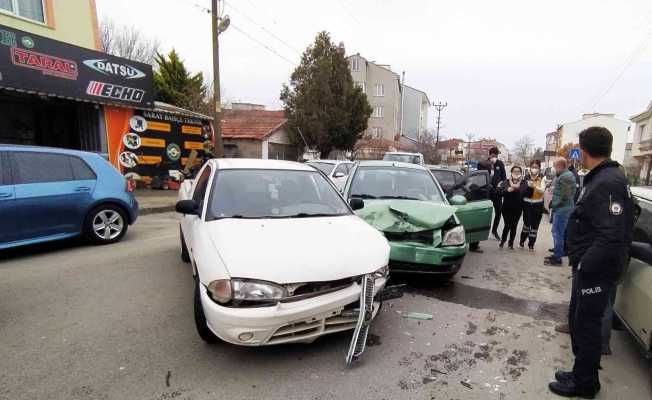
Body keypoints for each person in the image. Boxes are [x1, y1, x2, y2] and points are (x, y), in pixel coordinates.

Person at [548, 127, 634, 399]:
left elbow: (611, 234)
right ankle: (581, 372)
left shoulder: (608, 181)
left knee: (586, 325)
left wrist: (585, 265)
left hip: (595, 271)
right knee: (579, 320)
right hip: (589, 267)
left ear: (583, 152)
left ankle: (584, 384)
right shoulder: (604, 177)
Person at [545, 158, 576, 266]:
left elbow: (566, 196)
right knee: (558, 232)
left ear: (561, 166)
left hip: (563, 209)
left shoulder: (566, 176)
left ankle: (557, 258)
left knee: (558, 233)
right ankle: (557, 254)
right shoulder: (564, 175)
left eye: (555, 167)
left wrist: (555, 204)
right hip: (563, 208)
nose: (554, 169)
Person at [497, 166, 526, 250]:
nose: (516, 173)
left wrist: (516, 189)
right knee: (507, 225)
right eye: (514, 171)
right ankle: (503, 240)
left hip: (518, 208)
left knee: (514, 226)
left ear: (521, 173)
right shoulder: (506, 182)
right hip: (506, 208)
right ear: (511, 172)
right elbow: (499, 193)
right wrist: (507, 190)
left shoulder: (523, 183)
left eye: (518, 171)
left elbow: (524, 192)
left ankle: (511, 243)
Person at [520, 160, 545, 250]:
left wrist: (534, 186)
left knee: (535, 226)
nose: (534, 169)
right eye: (533, 167)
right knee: (526, 224)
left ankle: (531, 244)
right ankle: (522, 240)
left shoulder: (542, 178)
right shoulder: (526, 177)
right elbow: (522, 190)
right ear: (530, 168)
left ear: (539, 168)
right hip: (527, 204)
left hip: (538, 205)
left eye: (536, 167)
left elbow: (542, 190)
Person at [487, 147, 507, 240]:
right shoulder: (484, 164)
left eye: (496, 155)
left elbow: (504, 178)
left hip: (497, 192)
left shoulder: (500, 163)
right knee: (485, 212)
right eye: (493, 155)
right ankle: (483, 230)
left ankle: (494, 230)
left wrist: (502, 186)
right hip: (487, 192)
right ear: (490, 155)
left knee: (499, 212)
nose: (495, 157)